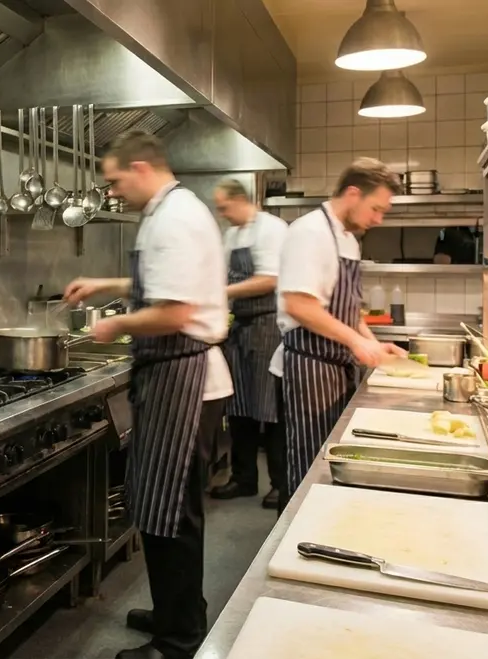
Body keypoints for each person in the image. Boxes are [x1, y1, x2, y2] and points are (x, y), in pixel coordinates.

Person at [64, 130, 230, 659]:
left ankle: (178, 640)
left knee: (175, 514)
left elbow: (175, 312)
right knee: (161, 509)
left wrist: (112, 328)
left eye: (114, 180)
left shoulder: (175, 219)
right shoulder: (169, 211)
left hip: (184, 380)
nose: (112, 191)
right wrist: (108, 286)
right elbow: (162, 284)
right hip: (172, 377)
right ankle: (177, 610)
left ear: (140, 167)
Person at [271, 158, 406, 512]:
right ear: (352, 193)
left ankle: (323, 522)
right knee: (308, 464)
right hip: (309, 367)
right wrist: (356, 341)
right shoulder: (310, 232)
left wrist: (372, 342)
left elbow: (344, 308)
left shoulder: (348, 239)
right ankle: (294, 541)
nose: (378, 219)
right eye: (376, 208)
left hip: (336, 366)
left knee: (331, 460)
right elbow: (300, 305)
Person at [208, 179, 287, 510]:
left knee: (270, 411)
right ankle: (244, 479)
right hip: (239, 328)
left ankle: (281, 485)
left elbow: (270, 280)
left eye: (225, 207)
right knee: (238, 410)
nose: (222, 214)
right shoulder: (231, 235)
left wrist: (222, 293)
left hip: (269, 325)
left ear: (241, 200)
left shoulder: (272, 229)